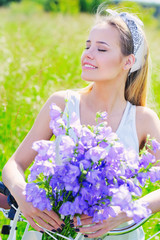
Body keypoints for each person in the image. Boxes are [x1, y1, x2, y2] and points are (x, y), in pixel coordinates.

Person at [2, 3, 160, 240]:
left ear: (128, 61)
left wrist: (123, 212)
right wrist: (23, 195)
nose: (88, 54)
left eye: (101, 49)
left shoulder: (143, 120)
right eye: (88, 46)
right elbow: (14, 164)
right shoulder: (62, 103)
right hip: (52, 232)